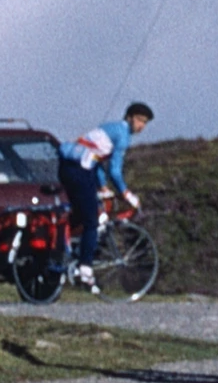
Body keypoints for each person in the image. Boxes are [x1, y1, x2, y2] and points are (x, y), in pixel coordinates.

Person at [57, 102, 153, 291]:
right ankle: (85, 268)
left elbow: (98, 159)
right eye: (140, 120)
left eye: (146, 122)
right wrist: (126, 194)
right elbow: (115, 172)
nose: (142, 126)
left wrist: (102, 187)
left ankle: (64, 246)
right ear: (129, 117)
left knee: (83, 213)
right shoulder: (123, 136)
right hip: (80, 170)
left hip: (68, 166)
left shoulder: (109, 127)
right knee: (92, 221)